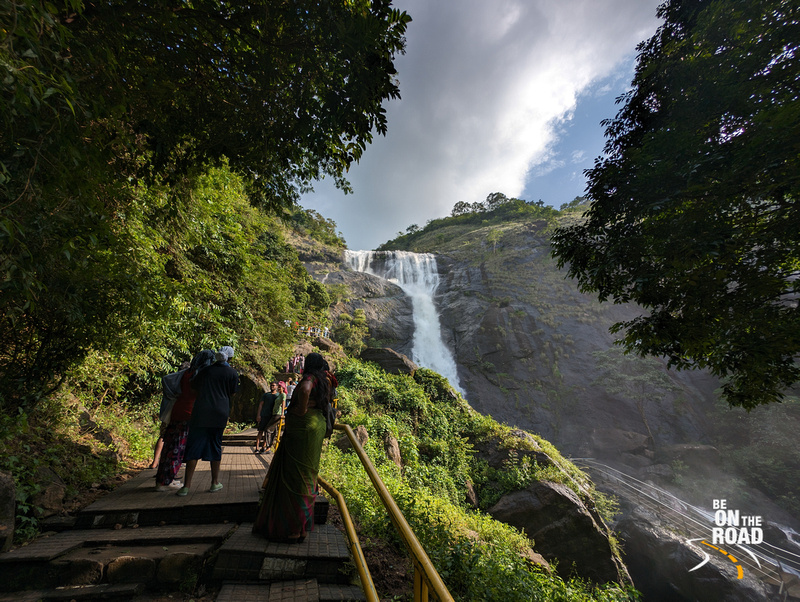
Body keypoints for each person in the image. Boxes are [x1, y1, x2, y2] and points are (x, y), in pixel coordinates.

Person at [252, 353, 336, 543]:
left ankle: (292, 529)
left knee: (294, 474)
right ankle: (302, 528)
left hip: (303, 426)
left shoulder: (310, 378)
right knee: (307, 473)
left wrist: (301, 410)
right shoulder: (326, 380)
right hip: (317, 426)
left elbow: (305, 390)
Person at [177, 346, 239, 496]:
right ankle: (214, 483)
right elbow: (233, 393)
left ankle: (186, 486)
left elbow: (194, 389)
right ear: (229, 358)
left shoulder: (205, 371)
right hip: (220, 413)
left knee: (194, 447)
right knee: (216, 445)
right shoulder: (232, 373)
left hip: (201, 412)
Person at [154, 352, 214, 491]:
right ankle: (165, 482)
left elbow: (167, 379)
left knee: (169, 446)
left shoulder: (186, 373)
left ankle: (161, 480)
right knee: (177, 449)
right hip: (189, 414)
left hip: (177, 411)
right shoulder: (198, 376)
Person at [254, 382, 280, 453]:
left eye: (274, 385)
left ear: (277, 387)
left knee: (267, 432)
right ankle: (257, 448)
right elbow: (261, 405)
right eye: (271, 385)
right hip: (264, 415)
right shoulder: (266, 395)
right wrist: (258, 415)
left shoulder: (278, 395)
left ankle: (263, 447)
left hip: (272, 416)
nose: (272, 387)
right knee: (260, 431)